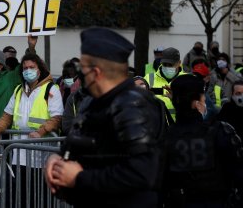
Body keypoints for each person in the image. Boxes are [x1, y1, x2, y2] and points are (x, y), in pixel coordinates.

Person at [45, 27, 166, 207]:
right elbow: (79, 146)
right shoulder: (92, 103)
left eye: (83, 68)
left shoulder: (132, 105)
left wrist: (80, 177)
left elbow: (142, 173)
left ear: (96, 73)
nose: (80, 74)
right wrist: (57, 161)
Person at [163, 74, 243, 207]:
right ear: (196, 103)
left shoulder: (165, 136)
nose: (205, 99)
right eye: (203, 96)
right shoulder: (219, 131)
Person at [0, 53, 63, 207]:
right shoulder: (19, 90)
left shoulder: (51, 89)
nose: (27, 70)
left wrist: (41, 132)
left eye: (32, 67)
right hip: (19, 153)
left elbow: (56, 118)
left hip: (42, 154)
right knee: (21, 196)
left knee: (41, 197)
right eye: (25, 68)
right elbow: (7, 115)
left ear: (40, 69)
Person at [145, 47, 184, 121]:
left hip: (179, 126)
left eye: (170, 65)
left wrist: (176, 100)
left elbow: (196, 108)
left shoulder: (187, 79)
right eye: (164, 64)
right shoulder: (148, 78)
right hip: (156, 126)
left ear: (179, 63)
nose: (167, 67)